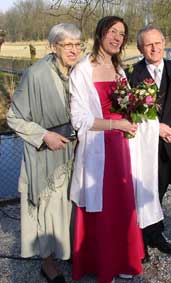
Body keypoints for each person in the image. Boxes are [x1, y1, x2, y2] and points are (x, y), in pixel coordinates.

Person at [69, 16, 163, 283]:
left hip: (122, 146)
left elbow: (127, 108)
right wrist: (116, 123)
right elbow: (80, 121)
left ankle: (123, 260)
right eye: (113, 31)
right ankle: (103, 265)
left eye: (122, 34)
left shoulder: (120, 69)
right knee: (103, 208)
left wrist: (139, 113)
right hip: (98, 147)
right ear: (100, 33)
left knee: (123, 205)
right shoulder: (82, 71)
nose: (117, 38)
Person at [7, 23, 82, 283]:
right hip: (45, 153)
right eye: (67, 44)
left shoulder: (79, 73)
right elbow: (14, 118)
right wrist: (44, 136)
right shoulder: (35, 74)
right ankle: (48, 263)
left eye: (77, 44)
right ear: (53, 47)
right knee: (47, 208)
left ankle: (69, 251)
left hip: (74, 152)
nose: (74, 50)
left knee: (70, 206)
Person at [126, 25, 171, 261]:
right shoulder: (133, 74)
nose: (154, 48)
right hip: (146, 145)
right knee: (144, 191)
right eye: (148, 44)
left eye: (158, 42)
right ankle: (140, 239)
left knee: (160, 191)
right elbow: (129, 112)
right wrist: (155, 129)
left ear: (164, 43)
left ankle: (156, 234)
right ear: (141, 48)